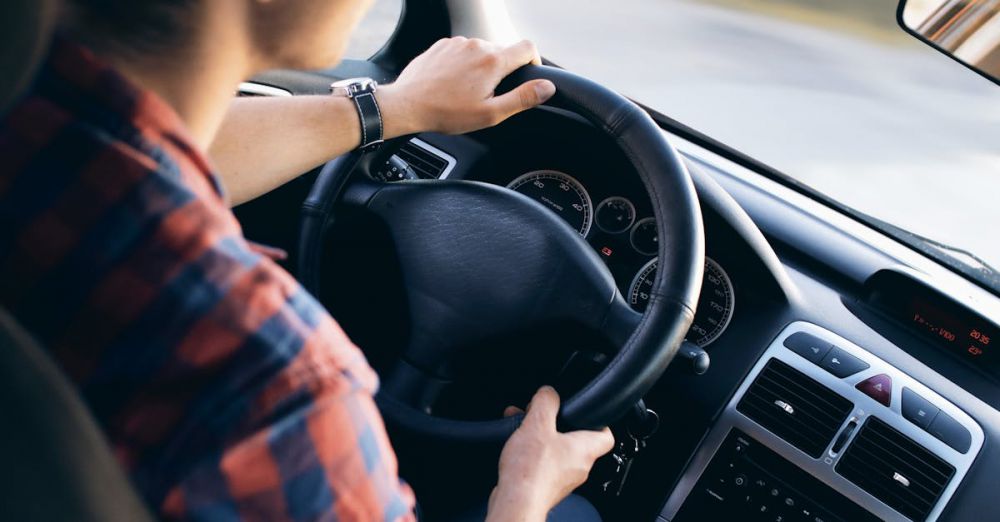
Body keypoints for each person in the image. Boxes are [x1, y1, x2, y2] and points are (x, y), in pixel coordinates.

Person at [0, 0, 616, 521]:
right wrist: (523, 496)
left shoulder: (31, 119)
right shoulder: (273, 389)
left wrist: (394, 107)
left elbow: (157, 154)